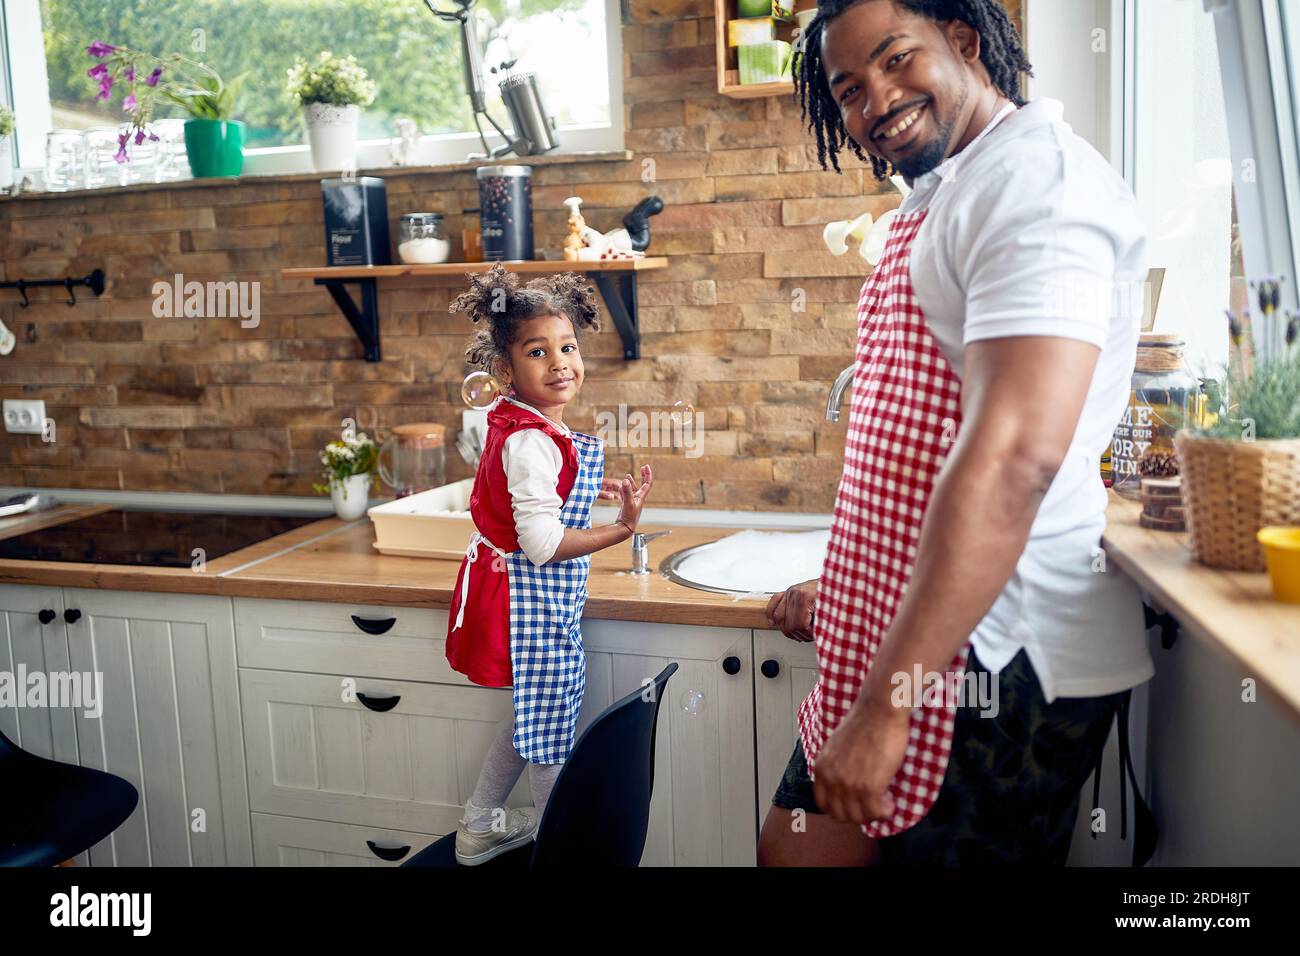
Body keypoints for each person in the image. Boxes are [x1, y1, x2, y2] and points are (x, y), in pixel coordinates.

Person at [758, 0, 1154, 866]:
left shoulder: (1037, 186)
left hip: (998, 656)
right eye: (850, 88)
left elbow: (1015, 461)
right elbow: (919, 437)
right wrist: (857, 582)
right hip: (916, 627)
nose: (877, 101)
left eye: (898, 60)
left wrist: (887, 703)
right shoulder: (952, 191)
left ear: (966, 44)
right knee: (792, 851)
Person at [445, 262, 654, 865]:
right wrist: (620, 530)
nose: (560, 361)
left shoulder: (535, 425)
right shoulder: (530, 439)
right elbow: (541, 542)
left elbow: (542, 498)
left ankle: (479, 827)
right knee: (550, 731)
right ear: (506, 372)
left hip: (531, 597)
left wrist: (602, 489)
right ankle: (553, 847)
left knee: (536, 719)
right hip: (529, 599)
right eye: (539, 352)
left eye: (567, 346)